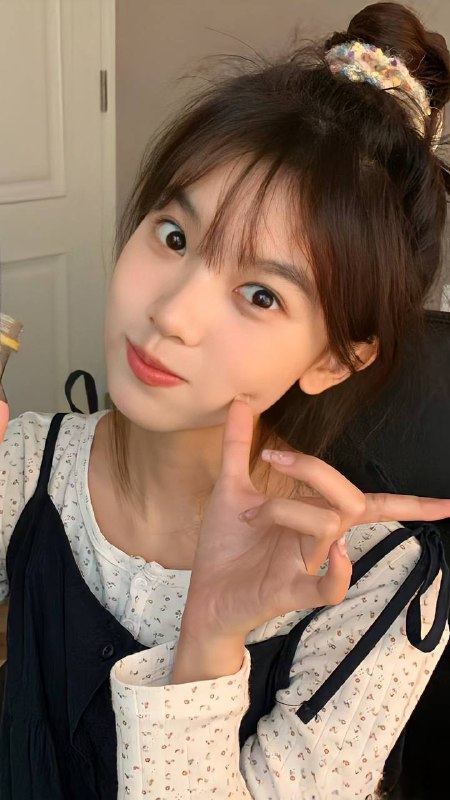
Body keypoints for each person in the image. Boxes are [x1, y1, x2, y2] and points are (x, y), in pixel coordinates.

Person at [1, 1, 450, 797]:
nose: (172, 315)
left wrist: (208, 641)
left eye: (260, 294)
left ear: (336, 359)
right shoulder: (23, 466)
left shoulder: (373, 583)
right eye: (175, 237)